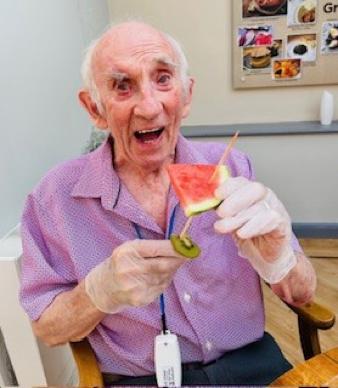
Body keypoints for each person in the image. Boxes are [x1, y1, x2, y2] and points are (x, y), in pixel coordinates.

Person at [19, 21, 316, 386]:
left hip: (250, 367)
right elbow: (47, 328)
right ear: (94, 108)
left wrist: (279, 258)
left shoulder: (232, 168)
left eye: (163, 78)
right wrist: (97, 293)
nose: (148, 106)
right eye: (122, 85)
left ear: (186, 95)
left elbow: (301, 295)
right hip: (141, 380)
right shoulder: (54, 198)